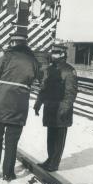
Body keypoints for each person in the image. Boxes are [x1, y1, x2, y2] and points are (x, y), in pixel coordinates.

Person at [0, 33, 39, 181]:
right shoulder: (33, 61)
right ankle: (8, 173)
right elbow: (37, 79)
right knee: (12, 142)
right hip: (19, 106)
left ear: (12, 43)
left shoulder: (5, 57)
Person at [34, 44, 78, 172]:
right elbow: (44, 88)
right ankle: (50, 159)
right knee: (50, 136)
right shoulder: (49, 69)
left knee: (59, 138)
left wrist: (64, 109)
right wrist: (38, 103)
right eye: (53, 53)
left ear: (63, 54)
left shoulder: (69, 71)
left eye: (57, 53)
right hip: (50, 107)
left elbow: (71, 93)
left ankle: (54, 163)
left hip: (61, 110)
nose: (53, 55)